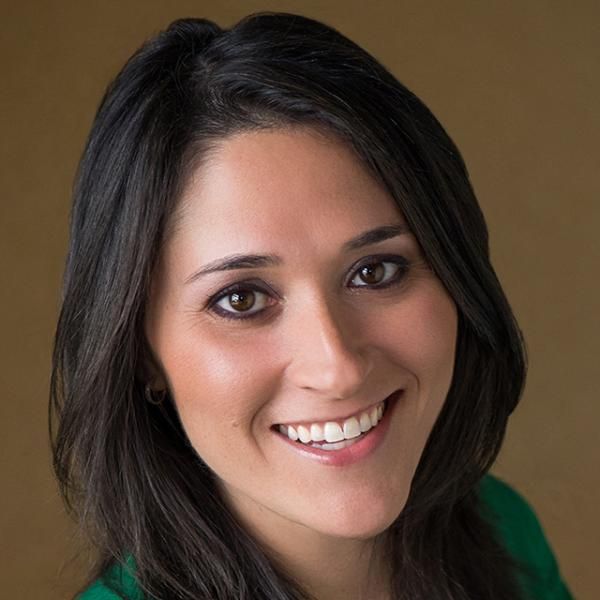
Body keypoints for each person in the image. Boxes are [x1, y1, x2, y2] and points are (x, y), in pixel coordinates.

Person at [50, 12, 574, 600]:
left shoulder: (504, 535)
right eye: (241, 299)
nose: (337, 367)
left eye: (375, 271)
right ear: (142, 351)